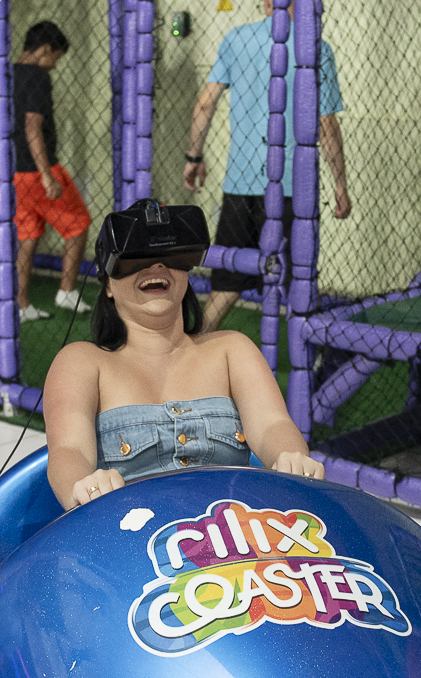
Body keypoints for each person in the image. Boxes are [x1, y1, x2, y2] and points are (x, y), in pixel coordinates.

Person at [43, 200, 324, 511]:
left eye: (171, 256)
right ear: (108, 284)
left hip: (233, 532)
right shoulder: (81, 361)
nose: (156, 266)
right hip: (130, 531)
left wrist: (291, 459)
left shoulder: (232, 349)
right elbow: (69, 450)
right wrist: (83, 486)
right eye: (136, 257)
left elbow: (272, 424)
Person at [185, 0, 351, 332]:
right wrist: (340, 184)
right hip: (292, 186)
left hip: (241, 182)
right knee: (296, 282)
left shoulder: (237, 39)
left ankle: (193, 348)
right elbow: (326, 125)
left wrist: (193, 156)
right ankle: (307, 357)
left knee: (227, 281)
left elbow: (204, 104)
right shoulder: (315, 48)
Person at [13, 21, 93, 323]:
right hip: (39, 170)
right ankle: (67, 291)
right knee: (79, 224)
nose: (54, 66)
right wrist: (46, 174)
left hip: (15, 174)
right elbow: (32, 126)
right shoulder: (38, 76)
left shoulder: (3, 74)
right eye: (55, 58)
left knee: (28, 236)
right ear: (45, 50)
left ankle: (21, 304)